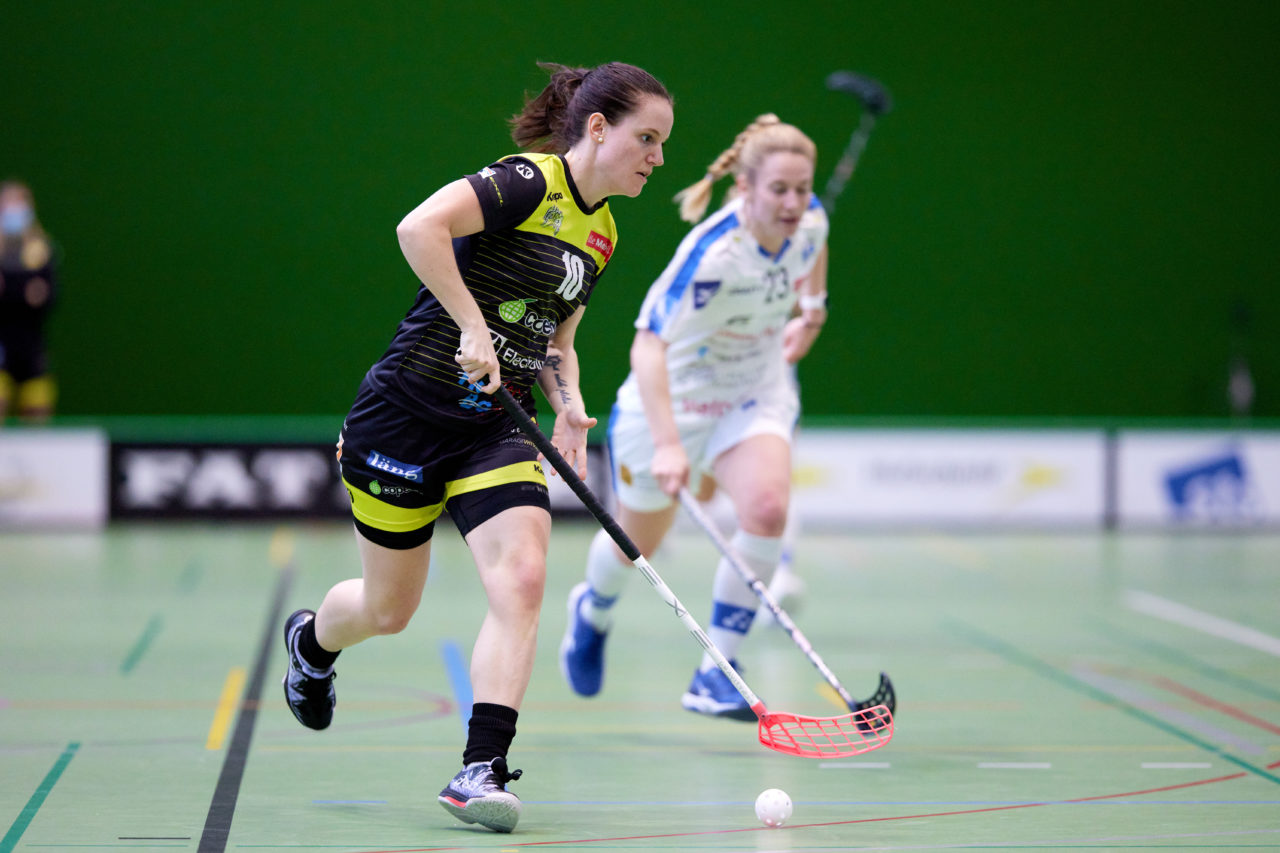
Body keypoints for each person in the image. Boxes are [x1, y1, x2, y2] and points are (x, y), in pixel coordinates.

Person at [281, 61, 673, 834]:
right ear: (598, 129)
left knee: (523, 577)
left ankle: (481, 767)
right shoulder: (526, 181)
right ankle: (312, 642)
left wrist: (570, 403)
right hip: (404, 415)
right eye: (647, 139)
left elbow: (555, 338)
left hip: (496, 425)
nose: (658, 158)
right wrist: (468, 324)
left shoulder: (604, 233)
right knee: (388, 608)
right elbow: (418, 227)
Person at [559, 114, 829, 719]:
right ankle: (592, 610)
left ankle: (716, 671)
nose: (793, 203)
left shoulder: (811, 222)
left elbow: (814, 253)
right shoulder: (710, 256)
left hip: (751, 394)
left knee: (766, 510)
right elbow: (646, 346)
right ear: (745, 190)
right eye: (778, 190)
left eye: (802, 189)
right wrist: (669, 443)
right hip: (671, 403)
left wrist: (811, 312)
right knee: (637, 541)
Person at [0, 181, 58, 424]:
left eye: (18, 204)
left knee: (37, 414)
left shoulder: (42, 250)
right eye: (7, 204)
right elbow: (31, 295)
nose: (13, 211)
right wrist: (26, 292)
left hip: (31, 350)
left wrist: (9, 290)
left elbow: (47, 297)